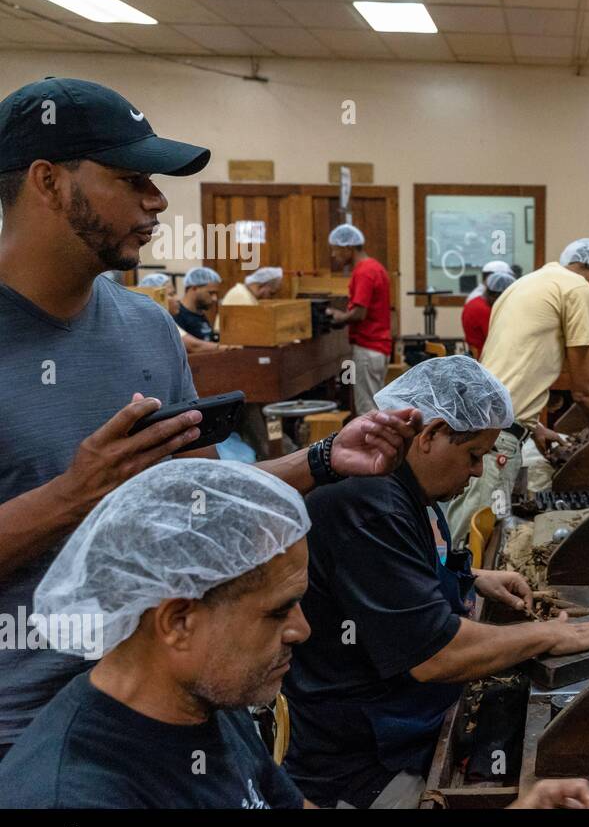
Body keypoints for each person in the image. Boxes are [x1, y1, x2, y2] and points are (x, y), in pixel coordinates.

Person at [0, 76, 421, 760]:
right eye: (132, 177)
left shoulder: (147, 327)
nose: (158, 199)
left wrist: (323, 459)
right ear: (49, 182)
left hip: (164, 706)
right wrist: (70, 496)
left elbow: (202, 511)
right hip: (23, 734)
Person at [0, 460, 589, 809]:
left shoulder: (211, 702)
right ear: (178, 620)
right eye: (277, 611)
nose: (304, 629)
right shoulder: (76, 800)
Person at [284, 356, 589, 808]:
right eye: (474, 455)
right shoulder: (371, 501)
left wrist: (470, 576)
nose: (479, 471)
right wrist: (545, 634)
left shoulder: (401, 487)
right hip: (368, 764)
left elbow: (398, 568)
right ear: (429, 435)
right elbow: (435, 653)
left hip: (394, 727)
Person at [443, 239, 589, 546]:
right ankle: (452, 593)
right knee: (476, 540)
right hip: (494, 434)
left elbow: (504, 366)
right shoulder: (577, 289)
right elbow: (584, 390)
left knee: (472, 529)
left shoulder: (528, 282)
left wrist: (533, 425)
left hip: (484, 420)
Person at [326, 223, 391, 415]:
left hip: (368, 348)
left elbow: (359, 313)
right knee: (377, 406)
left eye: (335, 249)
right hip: (379, 347)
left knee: (367, 412)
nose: (333, 255)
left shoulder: (364, 272)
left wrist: (338, 317)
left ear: (348, 247)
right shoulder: (376, 267)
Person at [139, 271, 225, 354]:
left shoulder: (167, 321)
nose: (177, 299)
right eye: (171, 294)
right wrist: (227, 347)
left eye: (175, 293)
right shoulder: (151, 323)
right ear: (155, 298)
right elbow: (193, 346)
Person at [462, 269, 514, 357]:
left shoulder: (473, 302)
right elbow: (498, 339)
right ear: (497, 295)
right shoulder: (483, 310)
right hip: (486, 358)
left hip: (478, 354)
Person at [174, 265, 221, 341]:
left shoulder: (199, 314)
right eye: (211, 293)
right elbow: (191, 346)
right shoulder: (177, 315)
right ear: (194, 288)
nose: (214, 298)